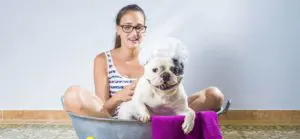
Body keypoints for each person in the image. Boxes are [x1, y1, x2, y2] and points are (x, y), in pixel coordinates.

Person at [63, 4, 225, 118]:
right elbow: (103, 109)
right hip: (119, 120)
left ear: (144, 30)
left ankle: (168, 124)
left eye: (139, 27)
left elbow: (174, 90)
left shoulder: (155, 59)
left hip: (159, 113)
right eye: (127, 27)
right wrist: (120, 96)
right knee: (71, 95)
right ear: (118, 29)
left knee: (214, 96)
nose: (134, 33)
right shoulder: (103, 60)